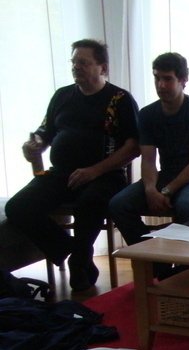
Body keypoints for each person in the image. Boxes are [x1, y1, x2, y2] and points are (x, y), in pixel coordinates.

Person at [5, 39, 140, 291]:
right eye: (74, 62)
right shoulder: (62, 96)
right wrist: (34, 144)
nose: (76, 67)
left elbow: (133, 147)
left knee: (90, 202)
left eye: (84, 63)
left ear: (102, 67)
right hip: (61, 175)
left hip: (105, 175)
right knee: (18, 207)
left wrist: (94, 171)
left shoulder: (119, 99)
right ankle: (72, 250)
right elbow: (44, 132)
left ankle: (79, 263)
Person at [109, 52, 189, 251]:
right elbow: (148, 160)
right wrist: (150, 190)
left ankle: (187, 264)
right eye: (157, 78)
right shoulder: (147, 114)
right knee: (118, 204)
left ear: (183, 80)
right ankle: (152, 258)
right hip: (166, 174)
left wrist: (168, 190)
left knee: (185, 205)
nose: (160, 85)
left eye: (167, 79)